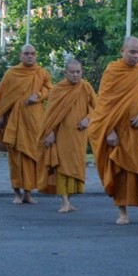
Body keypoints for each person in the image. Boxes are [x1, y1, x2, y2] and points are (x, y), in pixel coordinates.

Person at [91, 37, 138, 225]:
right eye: (132, 51)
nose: (136, 55)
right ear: (122, 51)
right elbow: (104, 104)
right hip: (119, 133)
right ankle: (122, 213)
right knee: (121, 172)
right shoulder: (112, 72)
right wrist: (109, 131)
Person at [0, 43, 53, 205]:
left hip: (34, 122)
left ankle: (28, 193)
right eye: (26, 53)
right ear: (20, 56)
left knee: (32, 157)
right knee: (16, 159)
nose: (30, 56)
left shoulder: (41, 72)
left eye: (32, 53)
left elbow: (50, 90)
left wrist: (38, 95)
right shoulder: (12, 73)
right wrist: (0, 116)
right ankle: (17, 193)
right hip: (14, 122)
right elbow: (1, 96)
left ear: (36, 55)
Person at [40, 58, 98, 213]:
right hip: (61, 135)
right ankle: (64, 201)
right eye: (72, 72)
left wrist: (88, 119)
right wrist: (50, 132)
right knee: (62, 166)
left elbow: (98, 107)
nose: (75, 75)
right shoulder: (57, 90)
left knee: (75, 166)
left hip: (79, 135)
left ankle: (69, 200)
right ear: (65, 73)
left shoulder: (85, 87)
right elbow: (50, 114)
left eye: (78, 72)